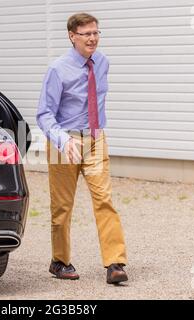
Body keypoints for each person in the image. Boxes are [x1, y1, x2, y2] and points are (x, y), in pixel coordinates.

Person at [36, 12, 128, 284]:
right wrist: (64, 140)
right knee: (62, 206)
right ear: (72, 36)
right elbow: (44, 114)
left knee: (104, 200)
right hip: (64, 143)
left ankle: (115, 263)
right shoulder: (57, 69)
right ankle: (60, 261)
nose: (92, 38)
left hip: (95, 139)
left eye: (96, 33)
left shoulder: (102, 63)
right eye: (86, 34)